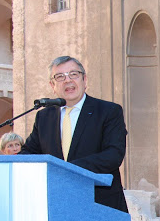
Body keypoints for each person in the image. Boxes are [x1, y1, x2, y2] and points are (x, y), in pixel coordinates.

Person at [22, 56, 128, 212]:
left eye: (73, 74)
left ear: (84, 80)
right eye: (60, 77)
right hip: (56, 203)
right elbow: (28, 152)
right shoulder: (44, 116)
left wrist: (65, 170)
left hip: (99, 203)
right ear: (52, 85)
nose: (67, 80)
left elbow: (113, 155)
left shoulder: (108, 111)